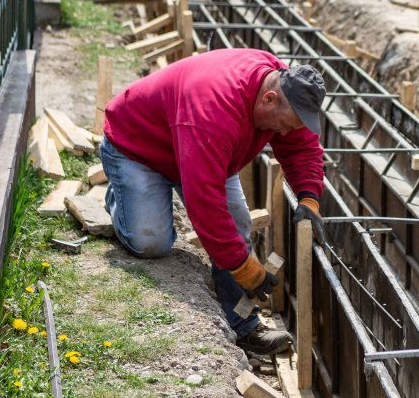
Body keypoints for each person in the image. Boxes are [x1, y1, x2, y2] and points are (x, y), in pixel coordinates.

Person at [99, 48, 327, 356]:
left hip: (204, 153)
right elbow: (205, 202)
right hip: (140, 149)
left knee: (238, 225)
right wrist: (243, 267)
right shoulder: (214, 108)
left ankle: (243, 326)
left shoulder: (285, 89)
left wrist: (309, 198)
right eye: (283, 124)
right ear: (269, 100)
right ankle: (120, 198)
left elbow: (302, 147)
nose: (284, 132)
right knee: (150, 243)